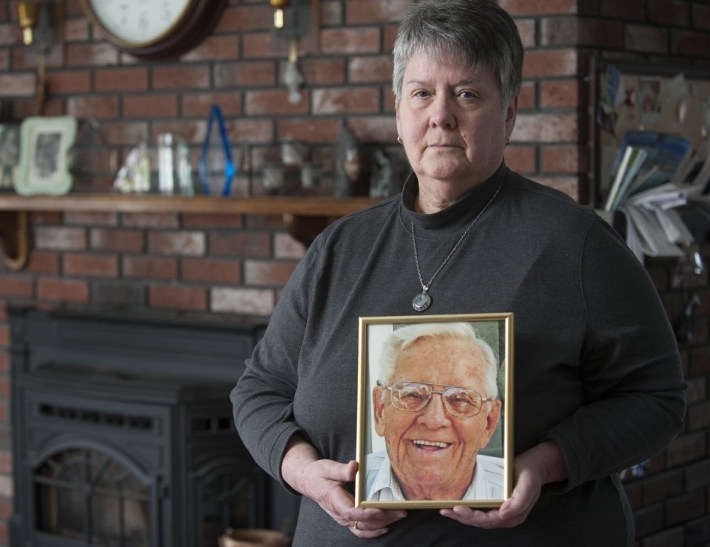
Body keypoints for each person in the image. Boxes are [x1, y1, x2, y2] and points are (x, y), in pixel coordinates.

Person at [230, 0, 687, 544]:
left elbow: (657, 400)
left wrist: (546, 463)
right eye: (422, 93)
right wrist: (304, 472)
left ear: (509, 113)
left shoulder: (576, 243)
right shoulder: (338, 250)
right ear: (399, 114)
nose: (440, 115)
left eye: (467, 94)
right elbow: (258, 391)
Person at [366, 322, 504, 502]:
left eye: (460, 399)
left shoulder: (515, 491)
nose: (434, 420)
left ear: (489, 423)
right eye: (413, 394)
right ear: (380, 410)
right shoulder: (347, 485)